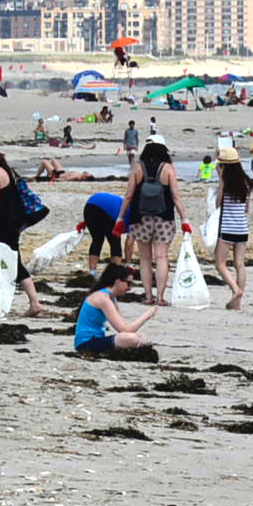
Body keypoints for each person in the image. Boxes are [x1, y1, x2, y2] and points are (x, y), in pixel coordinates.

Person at [0, 144, 46, 318]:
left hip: (3, 225)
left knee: (11, 262)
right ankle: (31, 302)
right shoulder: (6, 170)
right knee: (11, 261)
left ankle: (34, 303)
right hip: (12, 223)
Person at [121, 136, 180, 305]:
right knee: (161, 257)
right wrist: (184, 219)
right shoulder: (168, 168)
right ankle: (160, 298)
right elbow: (176, 197)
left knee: (145, 258)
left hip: (140, 218)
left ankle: (148, 296)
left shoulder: (137, 167)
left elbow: (129, 195)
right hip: (164, 218)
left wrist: (120, 216)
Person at [74, 262, 160, 354]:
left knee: (139, 337)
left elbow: (123, 326)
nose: (130, 288)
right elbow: (125, 330)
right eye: (129, 283)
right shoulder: (102, 298)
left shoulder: (110, 297)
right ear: (118, 282)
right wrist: (148, 314)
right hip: (86, 344)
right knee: (131, 338)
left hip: (96, 339)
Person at [211, 146, 252, 310]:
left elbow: (218, 205)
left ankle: (235, 290)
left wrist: (220, 183)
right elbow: (247, 208)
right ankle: (237, 302)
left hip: (228, 228)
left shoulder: (226, 183)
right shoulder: (247, 182)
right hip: (242, 228)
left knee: (220, 263)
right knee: (239, 264)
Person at [83, 189, 124, 267]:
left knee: (97, 239)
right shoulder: (133, 216)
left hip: (90, 204)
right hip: (105, 210)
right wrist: (128, 262)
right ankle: (116, 270)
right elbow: (129, 243)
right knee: (115, 240)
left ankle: (92, 272)